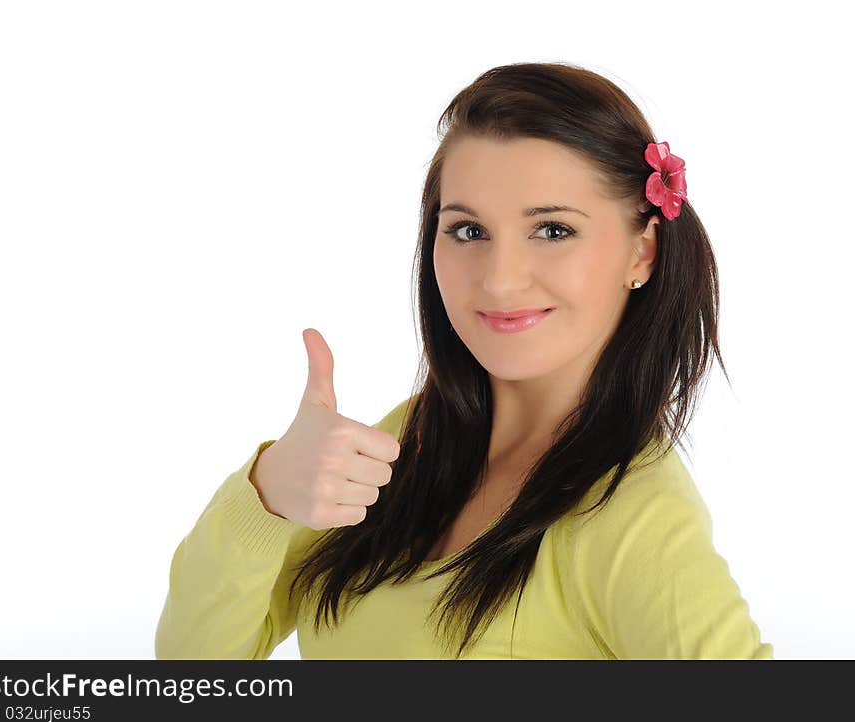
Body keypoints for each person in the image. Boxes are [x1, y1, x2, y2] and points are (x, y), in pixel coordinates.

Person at [155, 61, 773, 660]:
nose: (499, 282)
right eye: (469, 231)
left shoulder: (632, 514)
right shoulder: (403, 442)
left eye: (553, 230)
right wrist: (264, 498)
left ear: (642, 252)